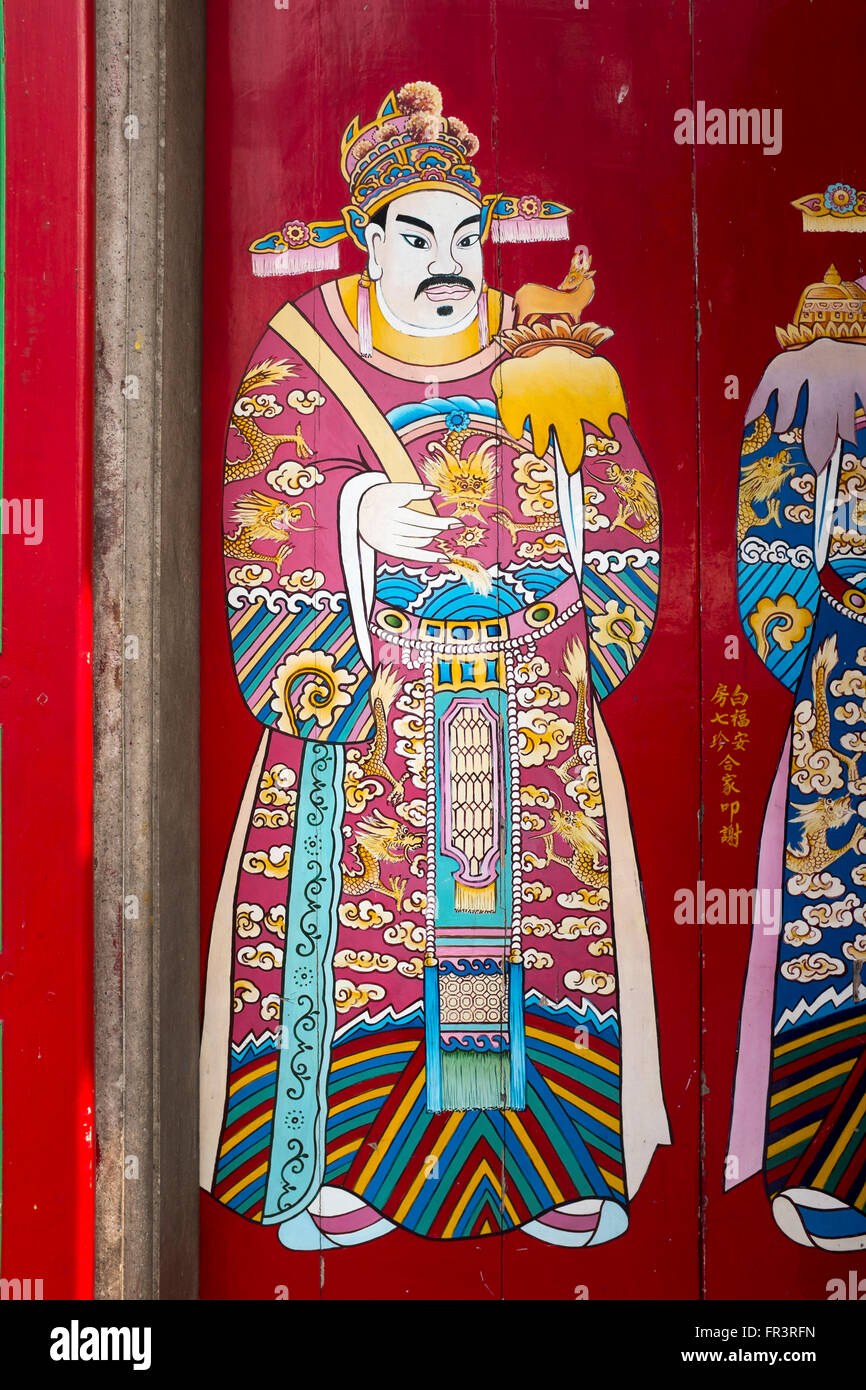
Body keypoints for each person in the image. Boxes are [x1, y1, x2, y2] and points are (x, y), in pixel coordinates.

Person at [200, 79, 669, 1248]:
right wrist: (354, 516)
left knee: (544, 934)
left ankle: (554, 1165)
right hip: (376, 701)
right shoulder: (301, 348)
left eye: (463, 236)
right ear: (366, 239)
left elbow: (617, 517)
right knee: (371, 939)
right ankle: (342, 1162)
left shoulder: (541, 346)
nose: (445, 260)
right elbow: (263, 512)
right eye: (415, 237)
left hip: (526, 701)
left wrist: (566, 488)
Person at [729, 247, 866, 1251]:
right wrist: (823, 651)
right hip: (844, 695)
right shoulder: (806, 405)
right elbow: (766, 562)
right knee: (830, 938)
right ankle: (831, 1160)